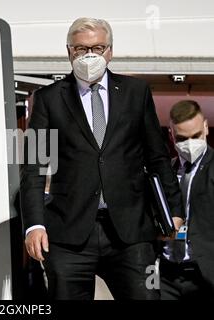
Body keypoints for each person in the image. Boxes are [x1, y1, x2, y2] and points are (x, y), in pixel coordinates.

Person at [20, 17, 184, 300]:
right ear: (69, 51)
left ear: (110, 51)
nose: (89, 55)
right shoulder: (47, 98)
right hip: (67, 235)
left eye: (97, 47)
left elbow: (158, 157)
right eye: (82, 49)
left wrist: (174, 211)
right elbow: (33, 167)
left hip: (131, 234)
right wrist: (34, 225)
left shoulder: (136, 92)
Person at [160, 100, 214, 299]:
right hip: (166, 274)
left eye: (196, 136)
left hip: (205, 272)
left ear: (206, 128)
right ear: (171, 135)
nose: (190, 144)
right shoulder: (163, 172)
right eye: (182, 138)